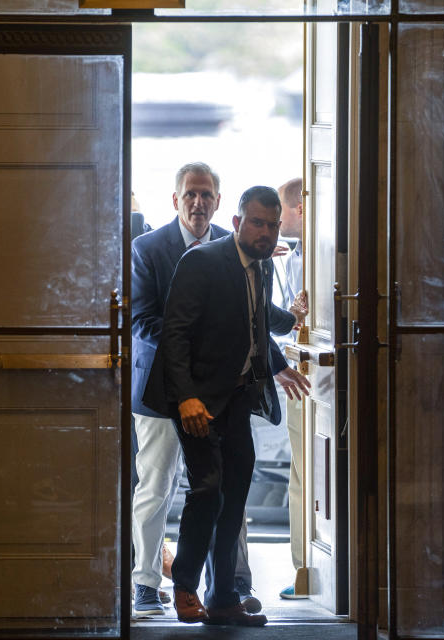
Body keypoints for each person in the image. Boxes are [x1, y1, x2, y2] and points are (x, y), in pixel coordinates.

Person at [144, 185, 310, 626]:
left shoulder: (262, 265)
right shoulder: (201, 261)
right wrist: (188, 398)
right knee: (208, 489)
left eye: (273, 225)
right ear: (237, 222)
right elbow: (175, 335)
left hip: (238, 397)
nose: (265, 232)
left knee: (235, 496)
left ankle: (222, 600)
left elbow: (257, 321)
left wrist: (291, 326)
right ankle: (183, 587)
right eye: (257, 222)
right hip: (196, 399)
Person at [130, 163, 230, 616]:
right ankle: (147, 584)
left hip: (216, 392)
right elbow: (141, 321)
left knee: (219, 487)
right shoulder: (147, 249)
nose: (198, 202)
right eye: (190, 194)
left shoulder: (232, 249)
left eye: (206, 194)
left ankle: (224, 587)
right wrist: (192, 352)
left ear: (218, 202)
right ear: (175, 200)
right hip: (158, 390)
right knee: (157, 484)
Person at [273, 177, 310, 600]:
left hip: (308, 372)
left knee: (303, 474)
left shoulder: (308, 258)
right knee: (299, 473)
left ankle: (307, 570)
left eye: (280, 211)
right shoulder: (284, 256)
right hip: (295, 371)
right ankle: (303, 566)